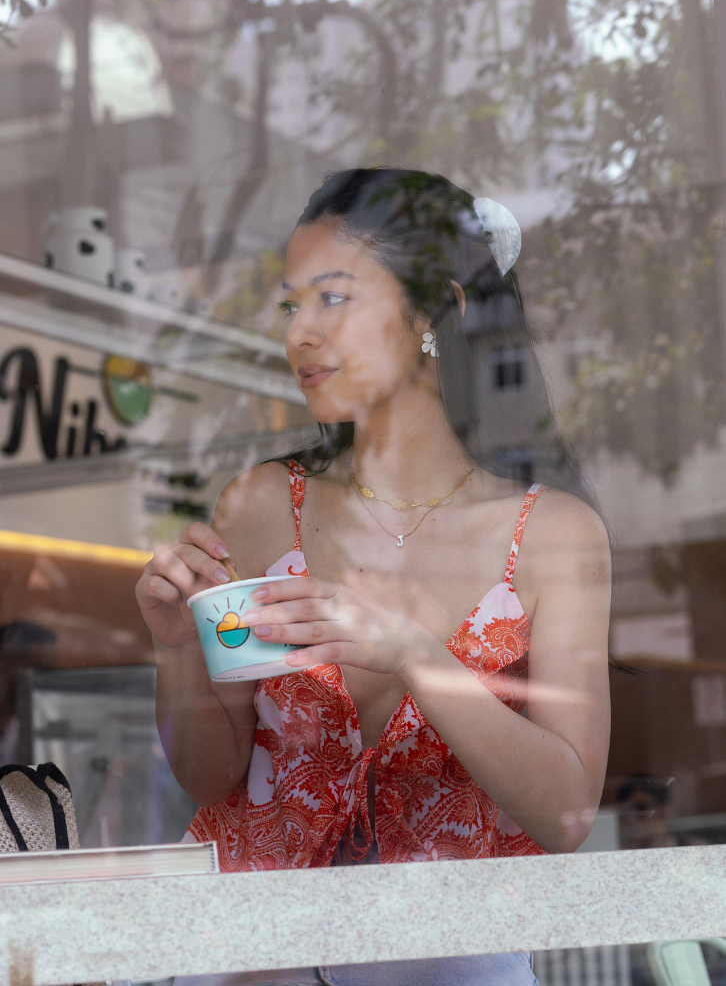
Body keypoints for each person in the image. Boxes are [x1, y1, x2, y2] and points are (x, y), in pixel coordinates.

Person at [136, 168, 612, 985]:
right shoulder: (256, 505)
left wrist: (419, 654)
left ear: (436, 312)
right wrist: (177, 650)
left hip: (448, 965)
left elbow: (567, 812)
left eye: (334, 299)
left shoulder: (554, 534)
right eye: (292, 306)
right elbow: (211, 776)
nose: (299, 335)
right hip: (245, 960)